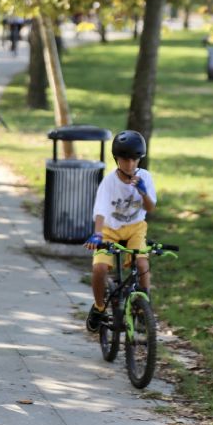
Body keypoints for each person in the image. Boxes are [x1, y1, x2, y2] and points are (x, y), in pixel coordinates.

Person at [84, 130, 157, 332]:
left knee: (142, 263)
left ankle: (144, 304)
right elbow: (100, 211)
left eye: (135, 160)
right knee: (99, 269)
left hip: (135, 229)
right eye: (126, 160)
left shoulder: (145, 177)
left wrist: (143, 191)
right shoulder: (109, 182)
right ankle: (99, 308)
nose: (131, 165)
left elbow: (150, 208)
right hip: (110, 230)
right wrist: (98, 234)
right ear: (117, 159)